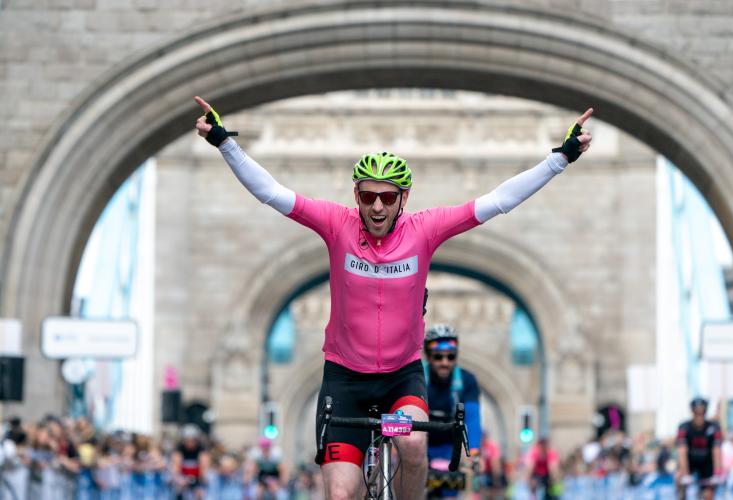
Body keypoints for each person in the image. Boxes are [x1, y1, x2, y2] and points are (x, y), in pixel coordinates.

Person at [193, 95, 593, 500]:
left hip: (400, 379)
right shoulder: (336, 225)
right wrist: (226, 143)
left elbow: (499, 201)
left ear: (404, 198)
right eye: (368, 197)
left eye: (388, 196)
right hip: (345, 381)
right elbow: (272, 193)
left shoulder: (425, 229)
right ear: (356, 197)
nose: (378, 206)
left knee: (413, 444)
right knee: (340, 495)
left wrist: (561, 158)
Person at [423, 324, 482, 498]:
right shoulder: (418, 377)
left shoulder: (466, 380)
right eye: (438, 357)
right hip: (423, 444)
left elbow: (473, 418)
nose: (445, 362)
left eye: (451, 356)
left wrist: (473, 453)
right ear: (428, 356)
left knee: (461, 484)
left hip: (451, 447)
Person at [675, 397, 722, 500]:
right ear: (692, 412)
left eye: (702, 412)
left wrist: (718, 472)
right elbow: (682, 451)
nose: (699, 416)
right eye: (697, 413)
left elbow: (717, 450)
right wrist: (685, 474)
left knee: (708, 494)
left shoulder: (714, 427)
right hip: (690, 462)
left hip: (707, 463)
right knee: (679, 478)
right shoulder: (684, 427)